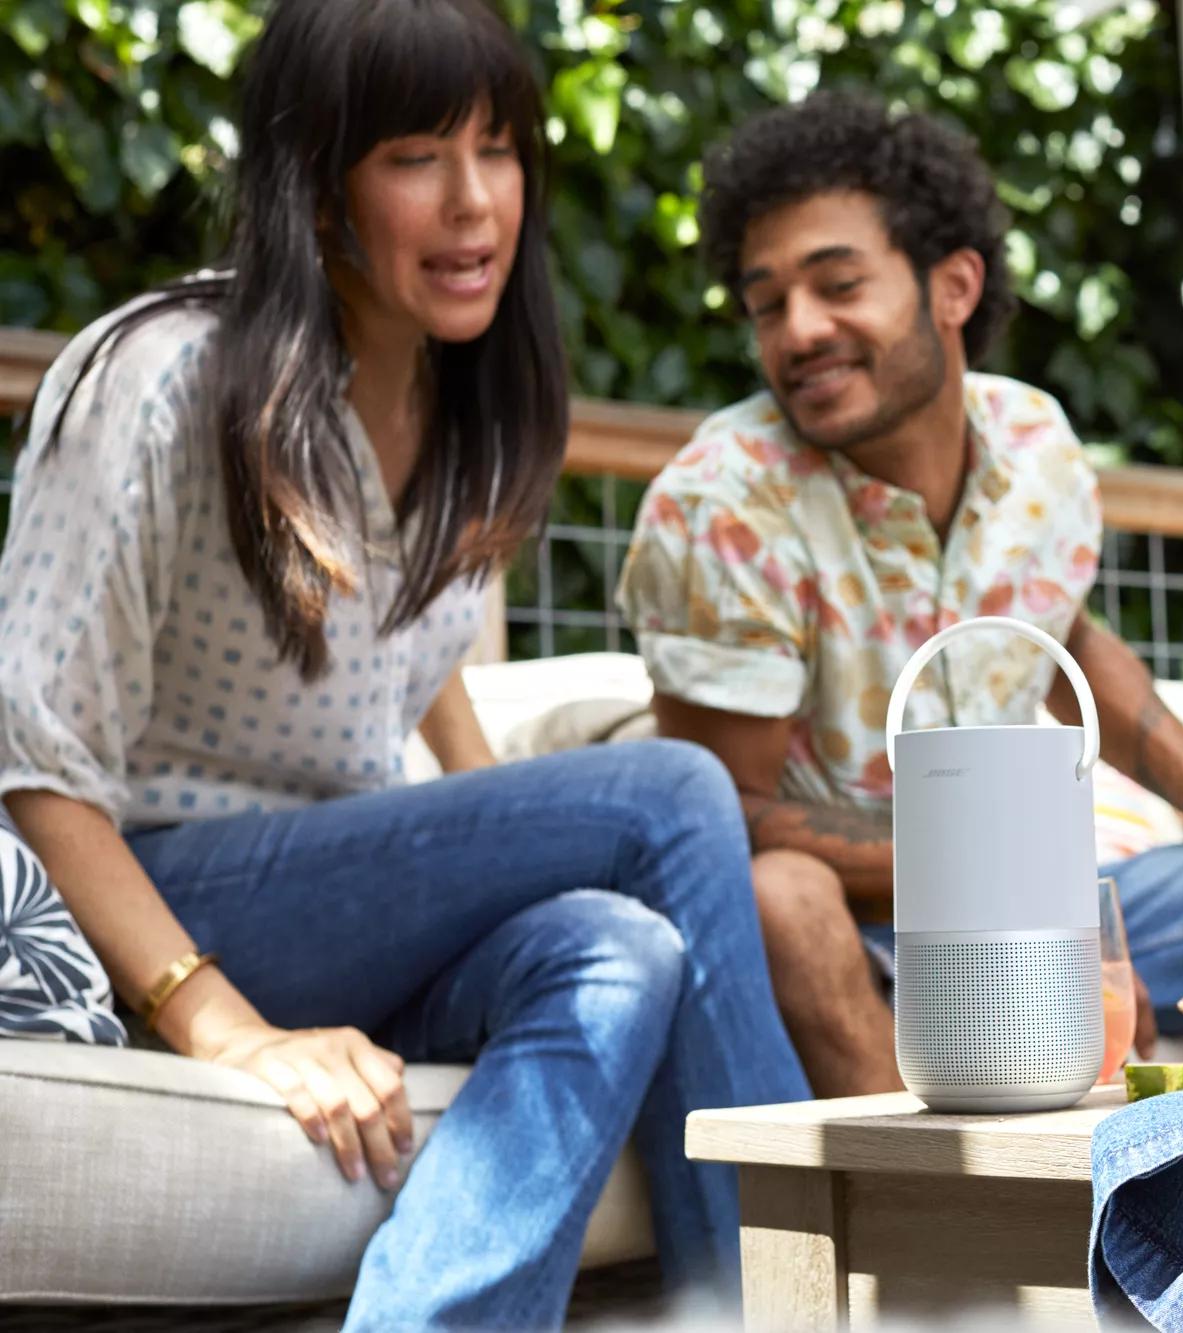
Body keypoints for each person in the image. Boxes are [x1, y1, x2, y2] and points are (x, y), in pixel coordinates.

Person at [0, 1, 807, 1324]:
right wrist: (226, 1027)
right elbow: (32, 757)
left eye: (498, 150)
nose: (476, 201)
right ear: (317, 183)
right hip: (152, 896)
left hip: (339, 894)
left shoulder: (463, 412)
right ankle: (780, 1303)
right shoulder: (161, 378)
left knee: (613, 946)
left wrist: (515, 836)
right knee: (668, 793)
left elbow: (404, 664)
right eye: (417, 155)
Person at [614, 92, 1183, 1098]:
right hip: (858, 926)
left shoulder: (1033, 443)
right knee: (780, 896)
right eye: (767, 304)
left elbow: (1059, 631)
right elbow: (725, 819)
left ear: (954, 285)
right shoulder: (722, 502)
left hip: (1041, 894)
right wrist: (1039, 898)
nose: (799, 330)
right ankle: (935, 1238)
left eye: (837, 284)